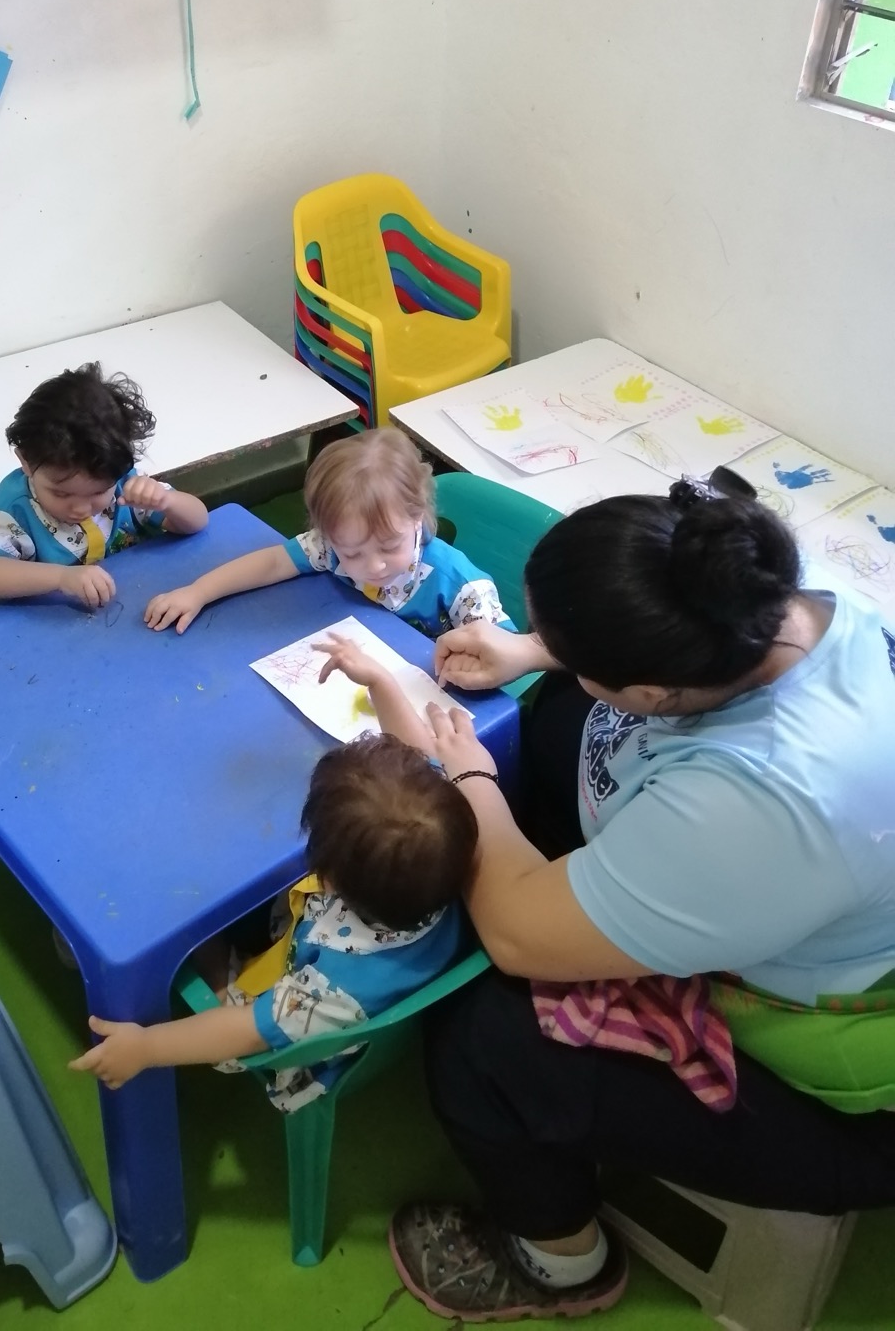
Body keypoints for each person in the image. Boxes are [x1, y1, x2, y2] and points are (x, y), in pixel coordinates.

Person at [386, 476, 895, 1322]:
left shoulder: (765, 803)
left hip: (844, 1090)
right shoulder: (790, 599)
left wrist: (466, 778)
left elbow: (513, 934)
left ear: (658, 692)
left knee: (485, 1035)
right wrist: (536, 652)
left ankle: (561, 1263)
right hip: (788, 883)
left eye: (585, 657)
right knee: (560, 719)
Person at [69, 727, 477, 1112]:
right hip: (368, 966)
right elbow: (410, 790)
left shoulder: (325, 994)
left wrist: (146, 1048)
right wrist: (380, 685)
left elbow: (245, 1032)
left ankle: (207, 959)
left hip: (299, 1038)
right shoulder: (437, 853)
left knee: (189, 923)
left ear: (329, 880)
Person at [145, 427, 507, 638]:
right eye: (352, 553)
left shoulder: (462, 588)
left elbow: (503, 654)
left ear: (417, 516)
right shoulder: (330, 546)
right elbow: (273, 563)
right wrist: (198, 592)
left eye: (389, 546)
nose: (374, 566)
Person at [0, 362, 208, 608]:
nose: (81, 508)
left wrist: (167, 502)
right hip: (52, 619)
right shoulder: (13, 510)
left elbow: (198, 521)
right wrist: (61, 578)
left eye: (99, 492)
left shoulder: (125, 482)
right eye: (61, 494)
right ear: (26, 462)